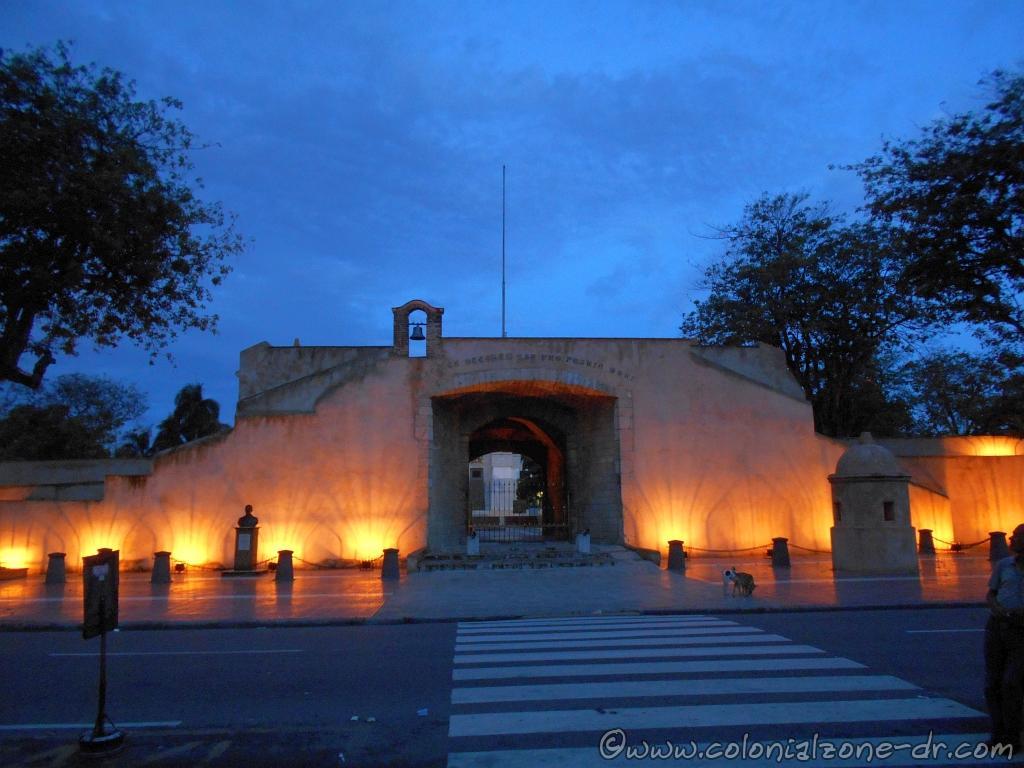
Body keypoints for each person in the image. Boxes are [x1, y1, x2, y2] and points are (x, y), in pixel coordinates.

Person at [985, 523, 1024, 751]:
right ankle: (998, 733)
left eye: (1016, 537)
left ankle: (1011, 735)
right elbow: (991, 593)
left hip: (1021, 629)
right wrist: (997, 608)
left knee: (1011, 683)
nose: (1010, 539)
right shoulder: (1004, 566)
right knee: (992, 683)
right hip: (998, 626)